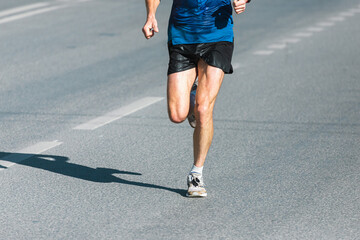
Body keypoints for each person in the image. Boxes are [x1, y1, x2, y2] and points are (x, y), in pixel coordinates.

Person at [142, 0, 250, 197]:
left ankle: (196, 174)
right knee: (177, 114)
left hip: (218, 36)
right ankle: (193, 92)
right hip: (182, 35)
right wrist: (151, 15)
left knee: (203, 109)